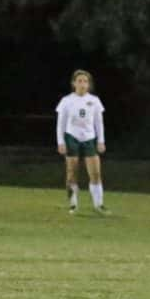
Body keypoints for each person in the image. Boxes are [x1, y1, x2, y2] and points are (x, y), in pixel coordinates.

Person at [55, 69, 110, 215]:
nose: (82, 84)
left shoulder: (94, 101)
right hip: (72, 137)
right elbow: (61, 123)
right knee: (72, 172)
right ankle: (73, 204)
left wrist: (101, 140)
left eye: (85, 81)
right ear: (74, 83)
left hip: (89, 138)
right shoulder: (67, 101)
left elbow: (99, 122)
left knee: (96, 173)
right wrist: (60, 142)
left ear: (89, 84)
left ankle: (99, 204)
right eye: (79, 81)